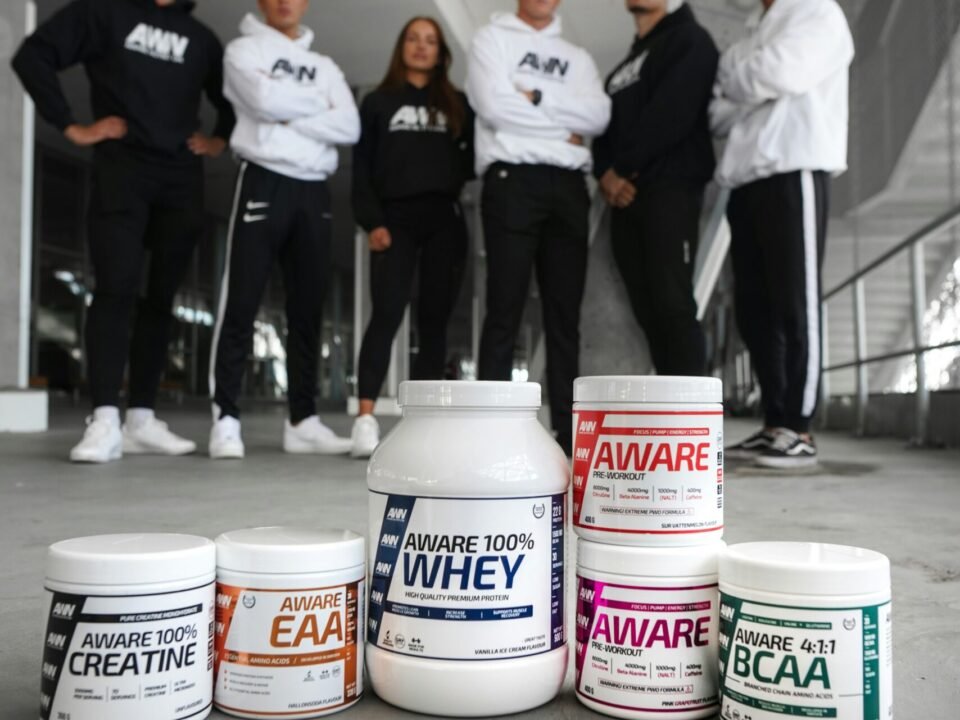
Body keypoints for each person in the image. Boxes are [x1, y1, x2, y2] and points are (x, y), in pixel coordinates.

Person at [12, 0, 235, 463]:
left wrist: (220, 138)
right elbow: (33, 55)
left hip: (180, 177)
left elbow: (235, 100)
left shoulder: (203, 39)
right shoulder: (104, 13)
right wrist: (71, 126)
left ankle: (141, 418)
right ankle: (105, 418)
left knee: (162, 298)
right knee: (115, 287)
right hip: (123, 168)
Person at [208, 0, 360, 459]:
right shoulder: (242, 50)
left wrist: (284, 108)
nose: (284, 2)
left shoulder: (325, 65)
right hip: (263, 177)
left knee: (309, 309)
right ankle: (226, 418)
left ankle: (303, 421)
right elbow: (261, 101)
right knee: (243, 298)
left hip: (314, 189)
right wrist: (315, 108)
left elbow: (349, 126)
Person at [711, 0, 854, 468]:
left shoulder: (818, 13)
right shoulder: (751, 31)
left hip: (795, 171)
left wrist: (740, 81)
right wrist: (752, 81)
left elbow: (782, 74)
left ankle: (800, 427)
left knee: (796, 304)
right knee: (754, 311)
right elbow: (716, 114)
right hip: (745, 182)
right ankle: (774, 423)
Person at [467, 0, 611, 455]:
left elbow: (598, 118)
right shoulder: (491, 39)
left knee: (564, 317)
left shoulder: (578, 57)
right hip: (512, 180)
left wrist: (536, 97)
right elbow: (493, 106)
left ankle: (570, 438)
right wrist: (561, 127)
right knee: (503, 308)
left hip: (569, 187)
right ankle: (489, 434)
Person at [350, 17, 474, 458]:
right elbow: (361, 168)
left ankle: (422, 424)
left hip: (444, 219)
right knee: (386, 313)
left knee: (435, 320)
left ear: (441, 53)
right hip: (393, 220)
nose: (421, 48)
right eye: (413, 39)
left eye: (431, 41)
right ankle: (365, 419)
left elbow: (474, 159)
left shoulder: (457, 104)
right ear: (401, 47)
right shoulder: (378, 102)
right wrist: (372, 222)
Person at [593, 0, 718, 376]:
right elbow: (602, 128)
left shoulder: (691, 40)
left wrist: (620, 169)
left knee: (673, 305)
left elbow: (671, 115)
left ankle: (694, 422)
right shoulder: (622, 67)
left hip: (670, 191)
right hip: (624, 200)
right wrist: (605, 175)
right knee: (647, 311)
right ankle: (668, 415)